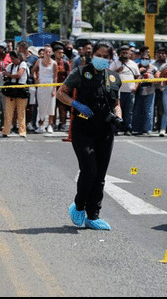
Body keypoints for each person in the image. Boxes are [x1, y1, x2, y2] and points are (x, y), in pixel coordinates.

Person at [57, 41, 122, 230]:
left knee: (100, 175)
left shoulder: (114, 77)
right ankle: (78, 207)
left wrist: (118, 115)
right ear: (92, 54)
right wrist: (76, 104)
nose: (102, 59)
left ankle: (93, 215)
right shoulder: (80, 72)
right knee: (89, 170)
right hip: (83, 128)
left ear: (111, 58)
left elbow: (116, 103)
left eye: (106, 56)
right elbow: (61, 93)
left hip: (105, 130)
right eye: (99, 55)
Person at [110, 45, 140, 136]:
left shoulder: (133, 64)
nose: (125, 54)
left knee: (129, 112)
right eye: (123, 53)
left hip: (130, 92)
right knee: (116, 111)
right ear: (119, 54)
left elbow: (138, 77)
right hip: (117, 92)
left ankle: (128, 128)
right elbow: (109, 75)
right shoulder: (114, 63)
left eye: (126, 52)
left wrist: (135, 87)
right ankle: (115, 128)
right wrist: (116, 71)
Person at [2, 51, 30, 137]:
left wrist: (8, 75)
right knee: (8, 112)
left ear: (18, 58)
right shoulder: (10, 66)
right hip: (11, 90)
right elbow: (4, 75)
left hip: (21, 90)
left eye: (14, 58)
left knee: (21, 112)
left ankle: (22, 132)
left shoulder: (23, 64)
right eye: (11, 59)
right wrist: (5, 75)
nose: (12, 60)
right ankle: (6, 131)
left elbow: (19, 75)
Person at [32, 46, 58, 133]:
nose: (47, 54)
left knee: (51, 105)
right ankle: (41, 124)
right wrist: (36, 78)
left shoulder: (54, 63)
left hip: (50, 85)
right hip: (41, 85)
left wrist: (54, 89)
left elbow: (55, 77)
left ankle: (50, 125)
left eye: (49, 52)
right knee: (41, 106)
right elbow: (33, 70)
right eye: (46, 52)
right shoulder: (39, 61)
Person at [132, 51, 158, 135]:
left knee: (148, 111)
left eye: (147, 59)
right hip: (138, 91)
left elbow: (157, 79)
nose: (145, 60)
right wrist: (139, 72)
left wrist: (149, 77)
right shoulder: (136, 67)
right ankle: (136, 128)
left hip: (149, 91)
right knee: (137, 110)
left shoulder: (153, 68)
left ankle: (147, 129)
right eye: (143, 59)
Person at [53, 42, 71, 131]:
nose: (61, 55)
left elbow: (68, 76)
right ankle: (52, 124)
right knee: (53, 107)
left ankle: (63, 124)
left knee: (62, 107)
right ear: (54, 53)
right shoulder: (51, 62)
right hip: (52, 87)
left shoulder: (65, 63)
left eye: (62, 53)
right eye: (59, 53)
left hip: (62, 88)